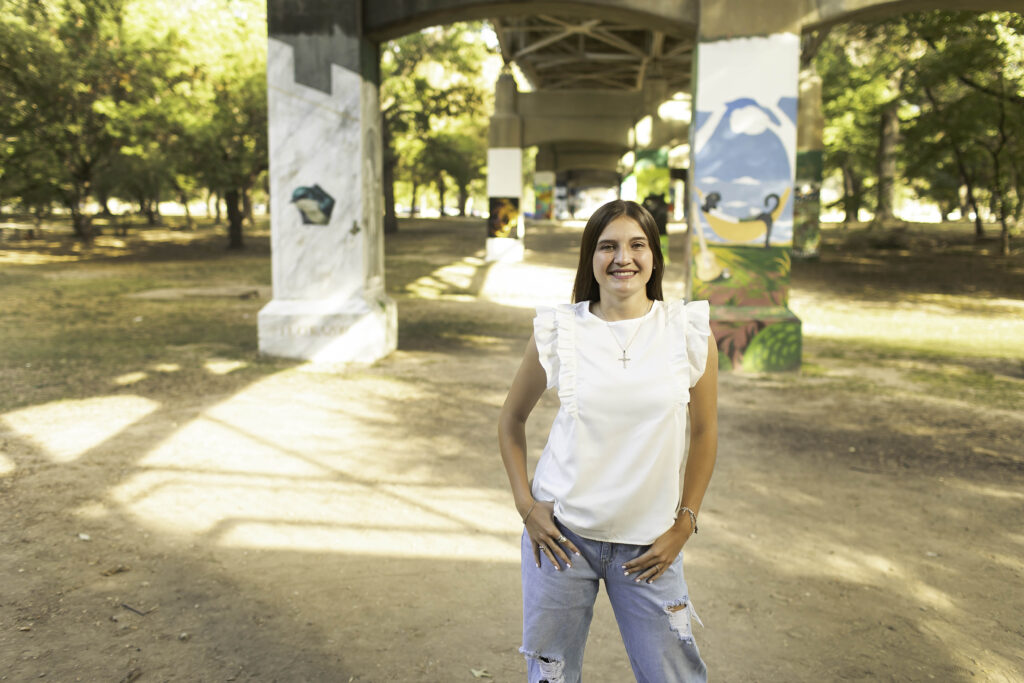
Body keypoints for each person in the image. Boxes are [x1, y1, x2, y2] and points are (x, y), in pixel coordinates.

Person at [498, 199, 718, 683]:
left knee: (675, 676)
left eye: (637, 245)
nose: (624, 258)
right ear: (590, 258)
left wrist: (685, 524)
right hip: (560, 540)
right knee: (551, 677)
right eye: (608, 246)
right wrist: (525, 505)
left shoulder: (687, 330)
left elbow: (705, 433)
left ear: (654, 256)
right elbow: (511, 419)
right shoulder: (559, 330)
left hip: (650, 545)